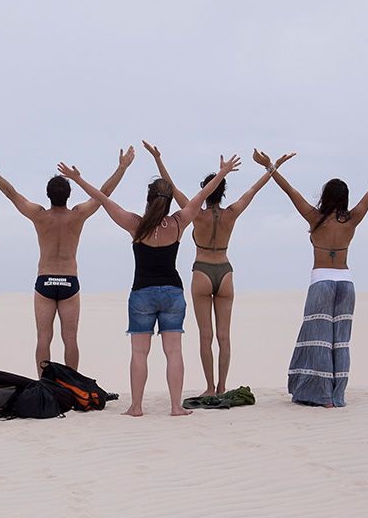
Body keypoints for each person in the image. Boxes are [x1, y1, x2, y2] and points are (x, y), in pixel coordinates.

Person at [57, 152, 240, 416]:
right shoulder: (177, 222)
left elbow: (103, 199)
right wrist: (222, 173)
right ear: (167, 202)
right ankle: (176, 406)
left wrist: (78, 178)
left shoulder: (136, 225)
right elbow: (201, 197)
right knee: (173, 351)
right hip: (172, 294)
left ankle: (136, 406)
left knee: (139, 353)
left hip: (142, 294)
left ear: (148, 198)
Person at [257, 147, 368, 407]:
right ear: (345, 198)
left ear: (326, 197)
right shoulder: (351, 220)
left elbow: (291, 192)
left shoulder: (315, 218)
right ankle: (337, 394)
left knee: (318, 339)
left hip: (321, 283)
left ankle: (324, 396)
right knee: (340, 341)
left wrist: (270, 168)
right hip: (346, 284)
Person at [144, 140, 294, 397]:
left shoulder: (196, 215)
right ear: (223, 192)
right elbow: (253, 191)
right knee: (224, 335)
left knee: (206, 335)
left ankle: (210, 388)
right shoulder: (232, 213)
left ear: (205, 190)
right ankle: (223, 387)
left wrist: (158, 159)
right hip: (225, 271)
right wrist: (272, 166)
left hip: (202, 271)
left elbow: (173, 188)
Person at [0, 147, 134, 372]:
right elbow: (103, 193)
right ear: (69, 195)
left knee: (43, 337)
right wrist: (122, 167)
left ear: (47, 195)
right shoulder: (78, 215)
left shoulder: (39, 215)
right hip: (69, 281)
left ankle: (45, 385)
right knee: (70, 338)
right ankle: (72, 385)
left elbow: (10, 193)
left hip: (45, 281)